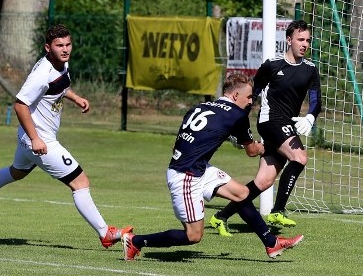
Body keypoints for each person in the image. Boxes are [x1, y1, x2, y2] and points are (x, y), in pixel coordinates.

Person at [0, 24, 132, 249]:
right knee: (80, 182)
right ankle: (105, 232)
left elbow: (58, 87)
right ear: (48, 47)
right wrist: (36, 139)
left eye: (68, 44)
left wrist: (75, 98)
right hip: (41, 141)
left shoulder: (61, 63)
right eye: (59, 46)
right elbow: (20, 106)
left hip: (29, 138)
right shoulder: (41, 73)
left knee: (16, 172)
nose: (65, 49)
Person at [122, 72, 304, 261]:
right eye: (249, 97)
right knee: (194, 236)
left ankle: (271, 243)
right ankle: (135, 241)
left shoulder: (200, 106)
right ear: (235, 96)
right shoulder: (237, 114)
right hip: (186, 175)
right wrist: (270, 147)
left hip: (196, 167)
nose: (251, 101)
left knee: (241, 193)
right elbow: (252, 151)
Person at [209, 19, 322, 236]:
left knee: (264, 181)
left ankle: (220, 216)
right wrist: (236, 126)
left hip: (288, 125)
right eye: (300, 39)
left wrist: (309, 117)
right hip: (270, 121)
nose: (304, 44)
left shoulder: (310, 69)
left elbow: (316, 100)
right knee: (299, 158)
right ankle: (277, 210)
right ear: (288, 40)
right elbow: (250, 97)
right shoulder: (272, 65)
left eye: (308, 40)